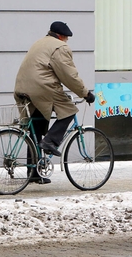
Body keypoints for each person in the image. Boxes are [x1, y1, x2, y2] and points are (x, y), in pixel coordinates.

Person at [13, 21, 95, 184]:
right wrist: (85, 93)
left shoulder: (39, 42)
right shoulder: (59, 47)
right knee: (69, 110)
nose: (66, 42)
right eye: (66, 38)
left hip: (22, 87)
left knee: (35, 128)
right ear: (61, 36)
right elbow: (69, 76)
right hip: (41, 87)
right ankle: (50, 141)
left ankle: (34, 172)